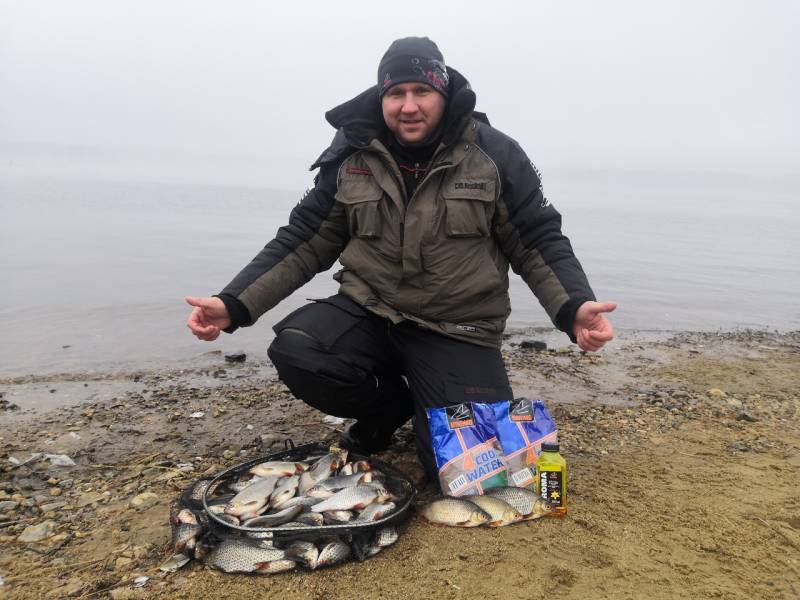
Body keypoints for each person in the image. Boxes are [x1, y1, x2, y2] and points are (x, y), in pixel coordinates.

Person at [185, 37, 616, 478]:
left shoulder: (494, 154)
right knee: (299, 350)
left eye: (422, 91)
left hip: (457, 328)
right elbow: (304, 239)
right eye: (396, 93)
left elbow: (537, 238)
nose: (408, 106)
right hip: (371, 312)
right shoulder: (353, 153)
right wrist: (233, 303)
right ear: (382, 97)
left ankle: (430, 399)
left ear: (444, 95)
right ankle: (388, 410)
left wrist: (573, 307)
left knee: (466, 473)